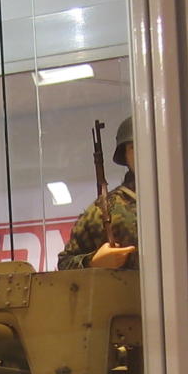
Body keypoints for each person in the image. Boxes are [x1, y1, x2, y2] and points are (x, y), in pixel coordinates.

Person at [57, 116, 139, 271]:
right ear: (125, 155)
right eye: (134, 147)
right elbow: (65, 263)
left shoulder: (180, 199)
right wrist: (93, 262)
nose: (143, 152)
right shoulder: (104, 209)